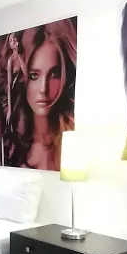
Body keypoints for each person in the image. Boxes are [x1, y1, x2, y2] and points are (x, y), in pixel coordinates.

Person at [16, 19, 76, 170]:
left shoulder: (72, 144)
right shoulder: (12, 142)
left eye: (54, 74)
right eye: (34, 76)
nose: (44, 89)